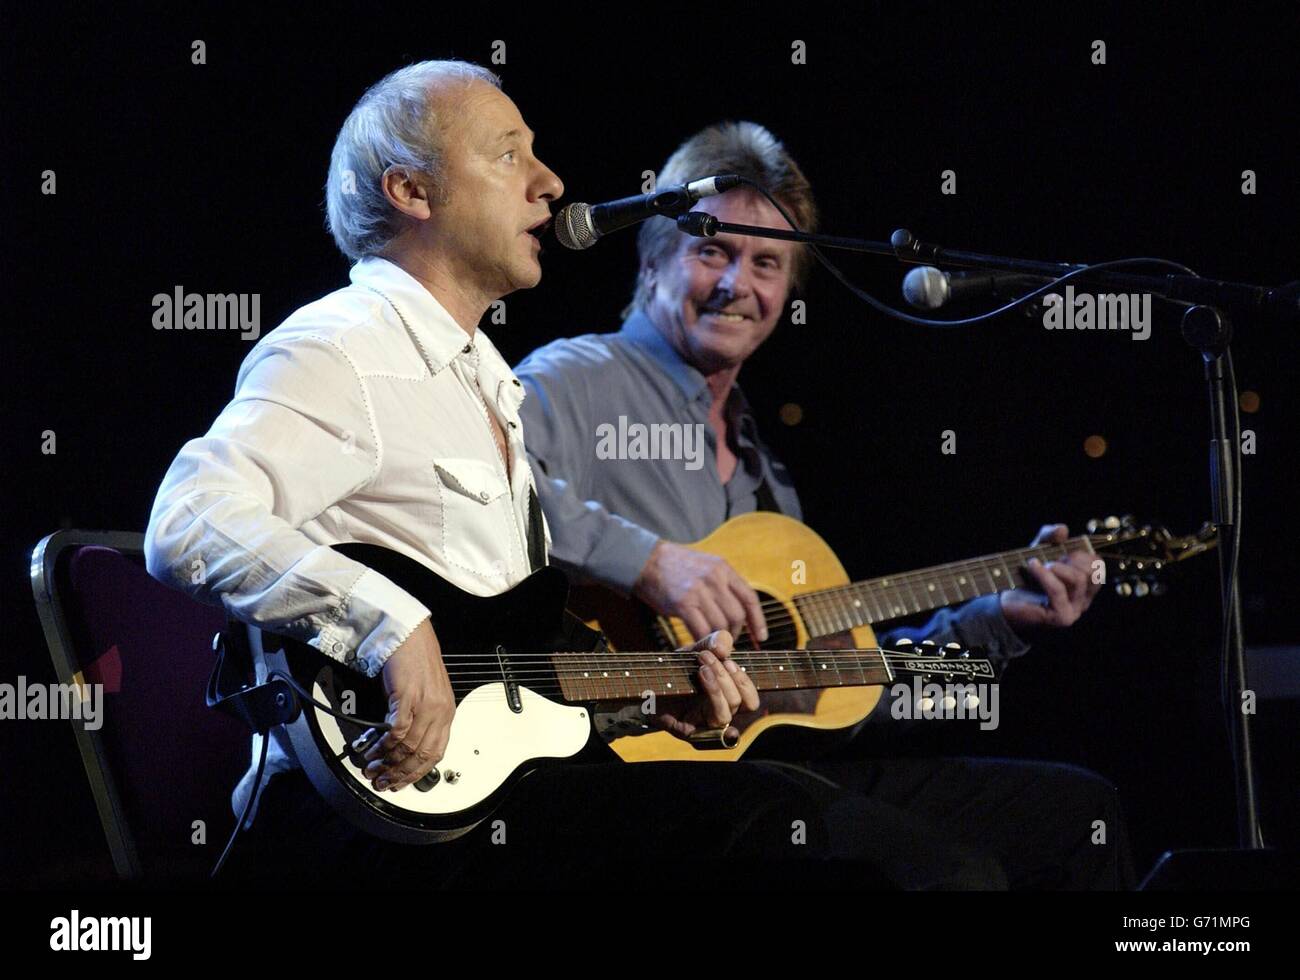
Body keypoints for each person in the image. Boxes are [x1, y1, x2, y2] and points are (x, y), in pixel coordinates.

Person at [143, 62, 885, 887]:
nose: (550, 184)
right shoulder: (343, 346)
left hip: (490, 800)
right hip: (363, 819)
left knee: (791, 818)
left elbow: (509, 654)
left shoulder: (483, 380)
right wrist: (388, 628)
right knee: (778, 826)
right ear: (411, 191)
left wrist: (648, 700)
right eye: (508, 155)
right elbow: (188, 519)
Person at [515, 120, 1136, 888]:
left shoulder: (762, 469)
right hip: (629, 776)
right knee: (949, 875)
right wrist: (647, 562)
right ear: (650, 265)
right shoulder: (575, 377)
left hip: (772, 770)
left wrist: (999, 621)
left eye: (767, 262)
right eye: (713, 249)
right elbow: (494, 490)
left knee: (1077, 815)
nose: (738, 284)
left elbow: (832, 690)